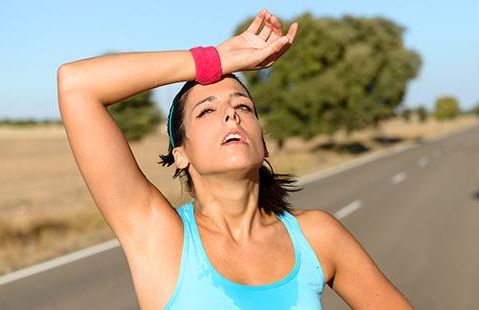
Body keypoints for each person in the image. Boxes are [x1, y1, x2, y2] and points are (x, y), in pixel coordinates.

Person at [57, 8, 413, 309]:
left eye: (243, 106)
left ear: (264, 144)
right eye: (207, 111)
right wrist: (214, 60)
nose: (231, 115)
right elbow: (76, 84)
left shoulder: (318, 235)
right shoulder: (161, 236)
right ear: (180, 154)